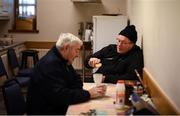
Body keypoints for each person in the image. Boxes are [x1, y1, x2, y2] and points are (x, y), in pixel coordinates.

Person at [26, 33, 106, 115]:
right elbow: (60, 96)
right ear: (67, 47)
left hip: (55, 106)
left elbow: (76, 80)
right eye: (76, 50)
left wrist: (76, 92)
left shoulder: (62, 59)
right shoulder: (50, 64)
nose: (77, 55)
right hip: (44, 111)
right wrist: (88, 94)